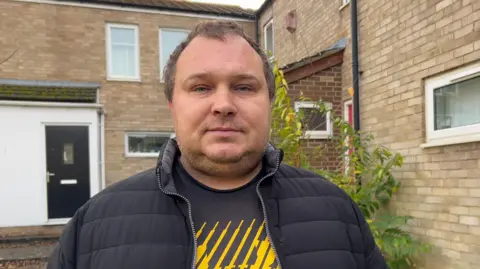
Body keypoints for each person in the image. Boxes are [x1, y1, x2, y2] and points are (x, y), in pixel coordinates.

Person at [46, 20, 388, 269]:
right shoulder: (94, 225)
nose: (223, 104)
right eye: (200, 88)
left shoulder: (337, 213)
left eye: (243, 87)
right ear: (172, 105)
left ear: (268, 102)